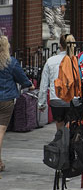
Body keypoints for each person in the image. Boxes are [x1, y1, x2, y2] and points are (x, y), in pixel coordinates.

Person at [0, 35, 31, 172]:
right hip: (6, 100)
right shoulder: (11, 62)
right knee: (0, 131)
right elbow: (22, 79)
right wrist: (29, 85)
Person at [38, 34, 76, 130]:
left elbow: (44, 84)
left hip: (56, 99)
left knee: (59, 125)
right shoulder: (75, 60)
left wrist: (41, 103)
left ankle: (60, 136)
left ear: (60, 45)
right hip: (73, 99)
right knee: (72, 126)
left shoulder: (50, 61)